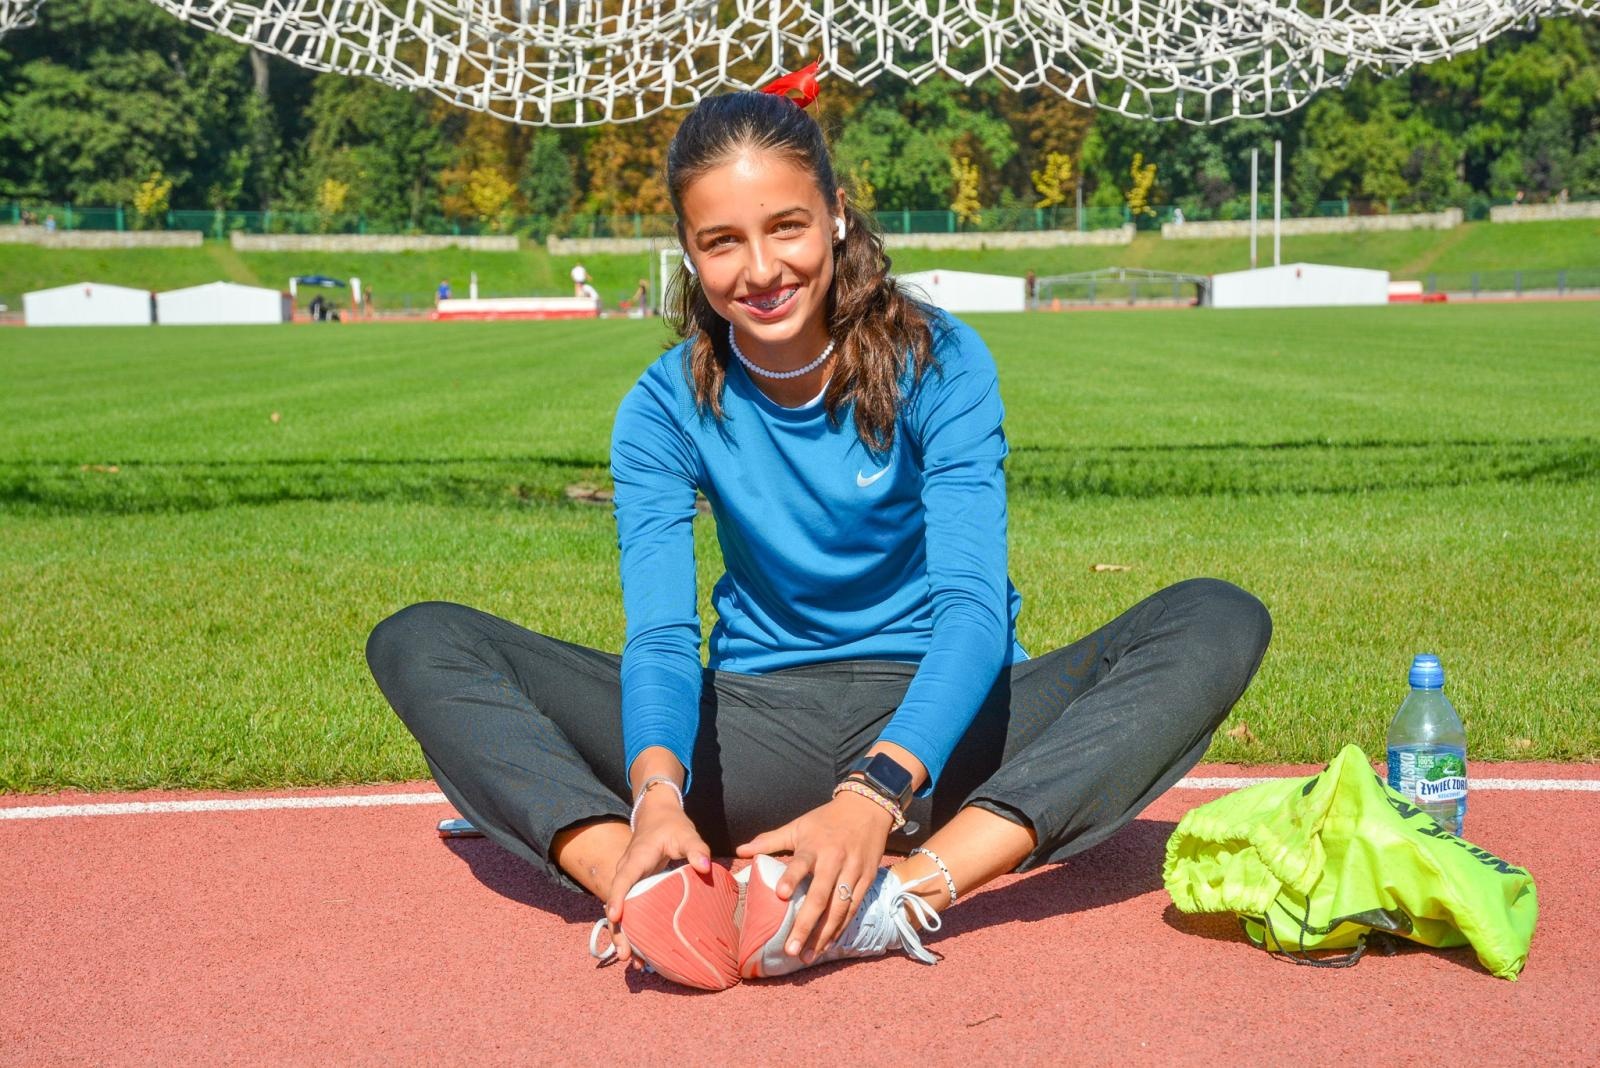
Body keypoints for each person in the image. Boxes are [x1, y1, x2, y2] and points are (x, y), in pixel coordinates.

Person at [366, 88, 1271, 991]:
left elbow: (970, 612)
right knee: (421, 640)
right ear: (686, 249)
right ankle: (643, 879)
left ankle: (899, 895)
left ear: (837, 216)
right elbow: (662, 638)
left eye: (787, 227)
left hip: (947, 743)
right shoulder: (660, 407)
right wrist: (656, 792)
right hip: (755, 735)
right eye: (721, 241)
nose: (760, 270)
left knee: (1215, 618)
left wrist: (875, 792)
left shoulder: (942, 362)